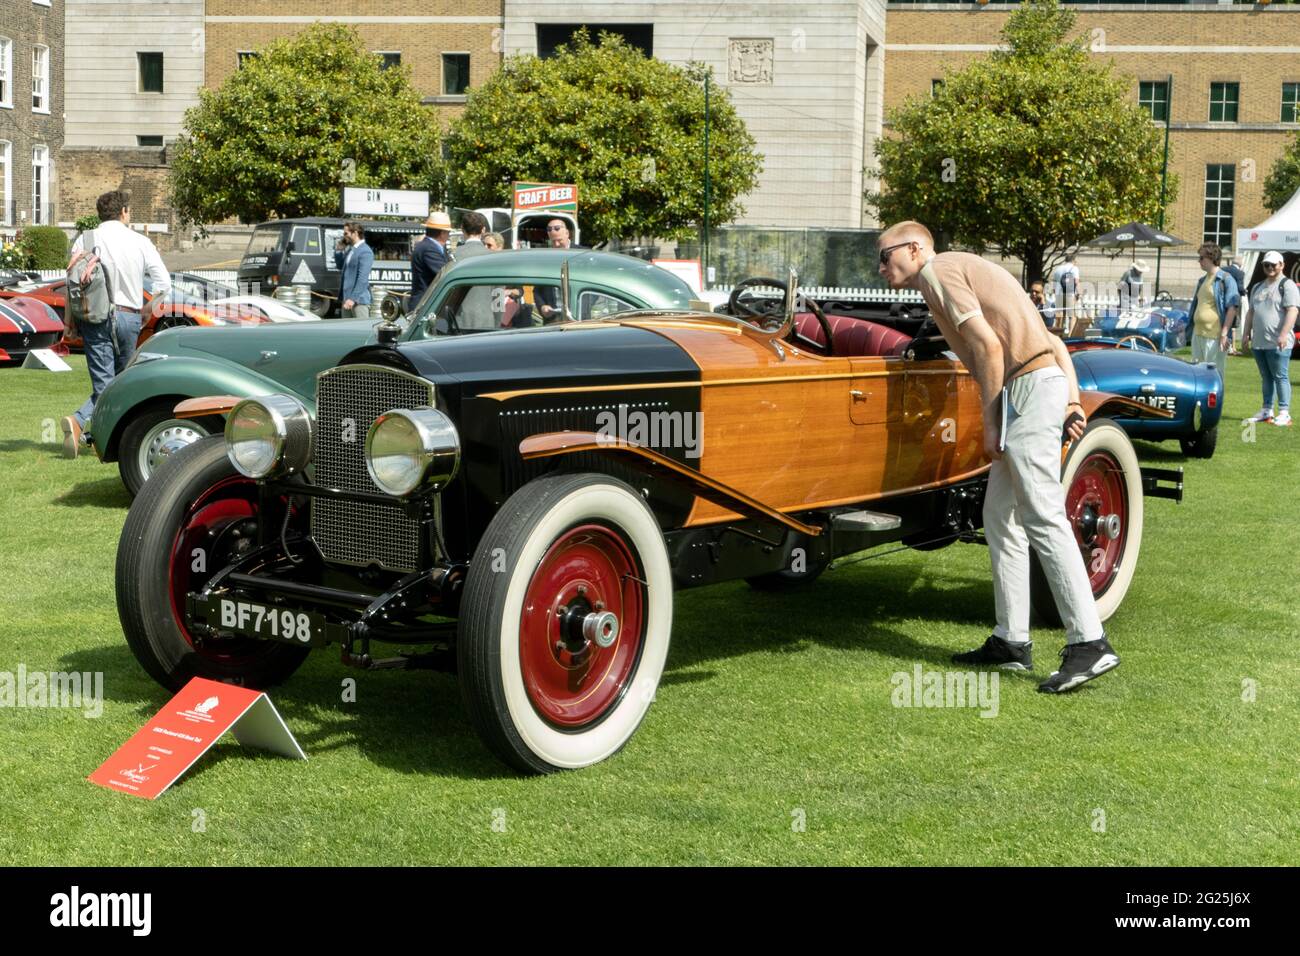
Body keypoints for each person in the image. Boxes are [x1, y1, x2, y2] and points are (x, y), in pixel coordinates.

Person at [878, 221, 1118, 694]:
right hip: (1035, 386)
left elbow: (987, 347)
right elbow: (1049, 341)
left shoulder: (938, 272)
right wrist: (1069, 398)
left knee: (1043, 515)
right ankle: (1012, 641)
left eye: (884, 256)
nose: (880, 267)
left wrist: (990, 422)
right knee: (999, 517)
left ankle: (1089, 643)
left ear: (914, 247)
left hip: (1025, 390)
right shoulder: (964, 268)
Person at [60, 190, 170, 459]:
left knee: (106, 384)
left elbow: (71, 285)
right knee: (121, 384)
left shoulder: (85, 239)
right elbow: (164, 284)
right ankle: (103, 438)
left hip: (95, 317)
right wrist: (148, 310)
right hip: (130, 315)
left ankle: (80, 424)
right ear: (123, 212)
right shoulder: (140, 241)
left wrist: (68, 323)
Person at [1242, 250, 1297, 427]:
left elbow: (1293, 311)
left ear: (1282, 265)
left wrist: (1283, 335)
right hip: (1260, 341)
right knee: (1266, 376)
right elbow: (1251, 312)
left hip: (1279, 342)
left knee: (1280, 375)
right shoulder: (1257, 287)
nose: (1270, 268)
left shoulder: (1287, 285)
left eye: (1274, 264)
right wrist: (1245, 334)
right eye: (1266, 265)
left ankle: (1284, 412)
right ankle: (1267, 410)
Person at [1188, 242, 1239, 382]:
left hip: (1215, 336)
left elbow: (1232, 307)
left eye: (1201, 258)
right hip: (1198, 334)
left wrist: (1224, 333)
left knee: (1214, 375)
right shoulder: (1202, 280)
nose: (1199, 261)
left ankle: (1215, 403)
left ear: (1211, 258)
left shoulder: (1226, 279)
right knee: (1197, 374)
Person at [449, 211, 498, 330]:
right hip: (487, 320)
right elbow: (498, 292)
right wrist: (497, 321)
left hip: (459, 321)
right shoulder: (493, 258)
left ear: (462, 229)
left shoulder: (454, 256)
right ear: (483, 230)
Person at [535, 217, 580, 322]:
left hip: (578, 318)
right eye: (553, 241)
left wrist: (584, 306)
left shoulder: (582, 254)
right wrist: (542, 307)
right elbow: (537, 290)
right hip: (553, 319)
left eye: (559, 241)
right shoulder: (546, 259)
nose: (556, 245)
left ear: (567, 234)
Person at [409, 211, 452, 306]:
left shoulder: (428, 246)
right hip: (425, 305)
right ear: (443, 233)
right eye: (448, 232)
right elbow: (446, 274)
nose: (448, 235)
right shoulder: (429, 249)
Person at [334, 222, 374, 319]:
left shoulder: (365, 251)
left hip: (358, 301)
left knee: (362, 332)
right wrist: (338, 251)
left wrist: (352, 299)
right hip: (347, 299)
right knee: (347, 332)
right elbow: (340, 266)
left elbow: (362, 279)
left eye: (346, 233)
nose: (344, 236)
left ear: (355, 233)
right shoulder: (351, 250)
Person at [1049, 253, 1080, 327]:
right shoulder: (1074, 268)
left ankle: (1059, 334)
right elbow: (1076, 282)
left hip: (1058, 293)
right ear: (1073, 260)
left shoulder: (1058, 269)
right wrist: (1078, 294)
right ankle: (1070, 336)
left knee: (1060, 315)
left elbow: (1054, 283)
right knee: (1071, 316)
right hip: (1069, 293)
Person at [1225, 256, 1248, 353]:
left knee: (1225, 324)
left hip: (1222, 301)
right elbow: (1239, 288)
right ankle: (1230, 347)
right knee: (1232, 324)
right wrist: (1245, 291)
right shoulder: (1240, 273)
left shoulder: (1223, 269)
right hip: (1233, 301)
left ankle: (1230, 347)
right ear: (1241, 263)